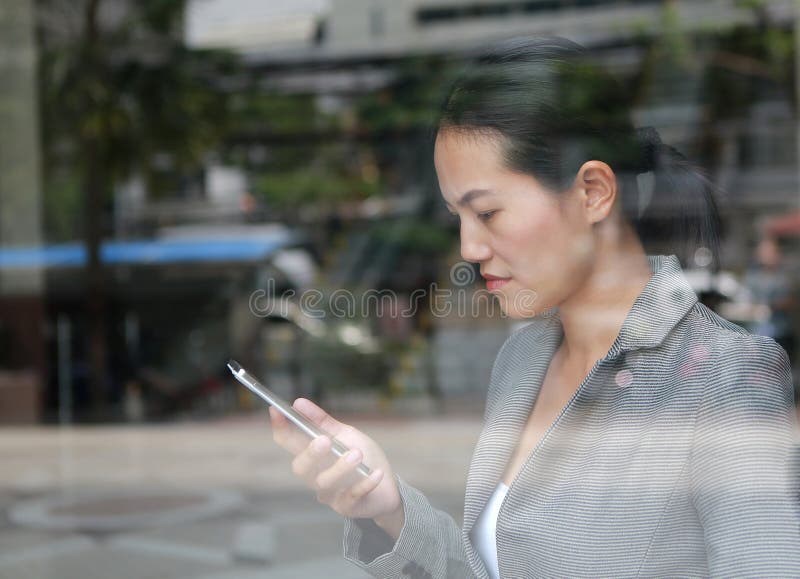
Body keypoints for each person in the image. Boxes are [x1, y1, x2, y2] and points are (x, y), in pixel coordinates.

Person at [269, 37, 800, 578]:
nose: (469, 248)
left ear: (593, 192)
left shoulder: (725, 377)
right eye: (458, 216)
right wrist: (390, 509)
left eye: (488, 213)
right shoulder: (523, 358)